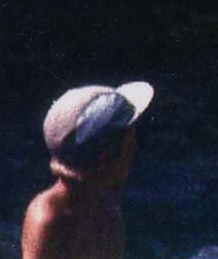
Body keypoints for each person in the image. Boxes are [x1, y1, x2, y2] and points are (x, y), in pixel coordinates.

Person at [23, 80, 153, 259]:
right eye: (129, 147)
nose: (134, 151)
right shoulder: (47, 217)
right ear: (104, 160)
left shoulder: (107, 210)